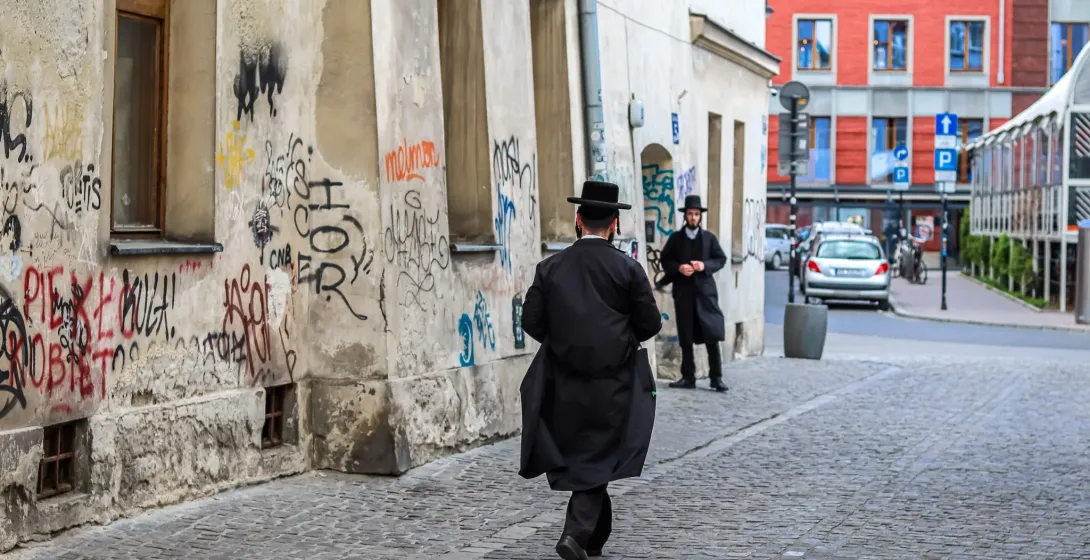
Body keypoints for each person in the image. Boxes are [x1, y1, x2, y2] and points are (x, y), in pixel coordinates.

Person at [519, 180, 662, 560]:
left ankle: (595, 540)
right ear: (614, 224)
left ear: (578, 221)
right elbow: (650, 324)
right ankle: (575, 535)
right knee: (598, 458)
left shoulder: (549, 268)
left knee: (589, 458)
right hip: (612, 382)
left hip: (563, 381)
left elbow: (532, 322)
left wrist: (566, 340)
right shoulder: (628, 270)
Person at [654, 194, 728, 392]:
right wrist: (679, 269)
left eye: (696, 214)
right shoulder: (676, 239)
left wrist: (703, 265)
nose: (693, 217)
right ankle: (688, 377)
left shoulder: (709, 238)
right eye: (690, 214)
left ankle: (716, 377)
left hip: (705, 294)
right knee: (685, 336)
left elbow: (720, 259)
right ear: (685, 216)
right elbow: (666, 260)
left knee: (712, 334)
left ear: (700, 216)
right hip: (684, 293)